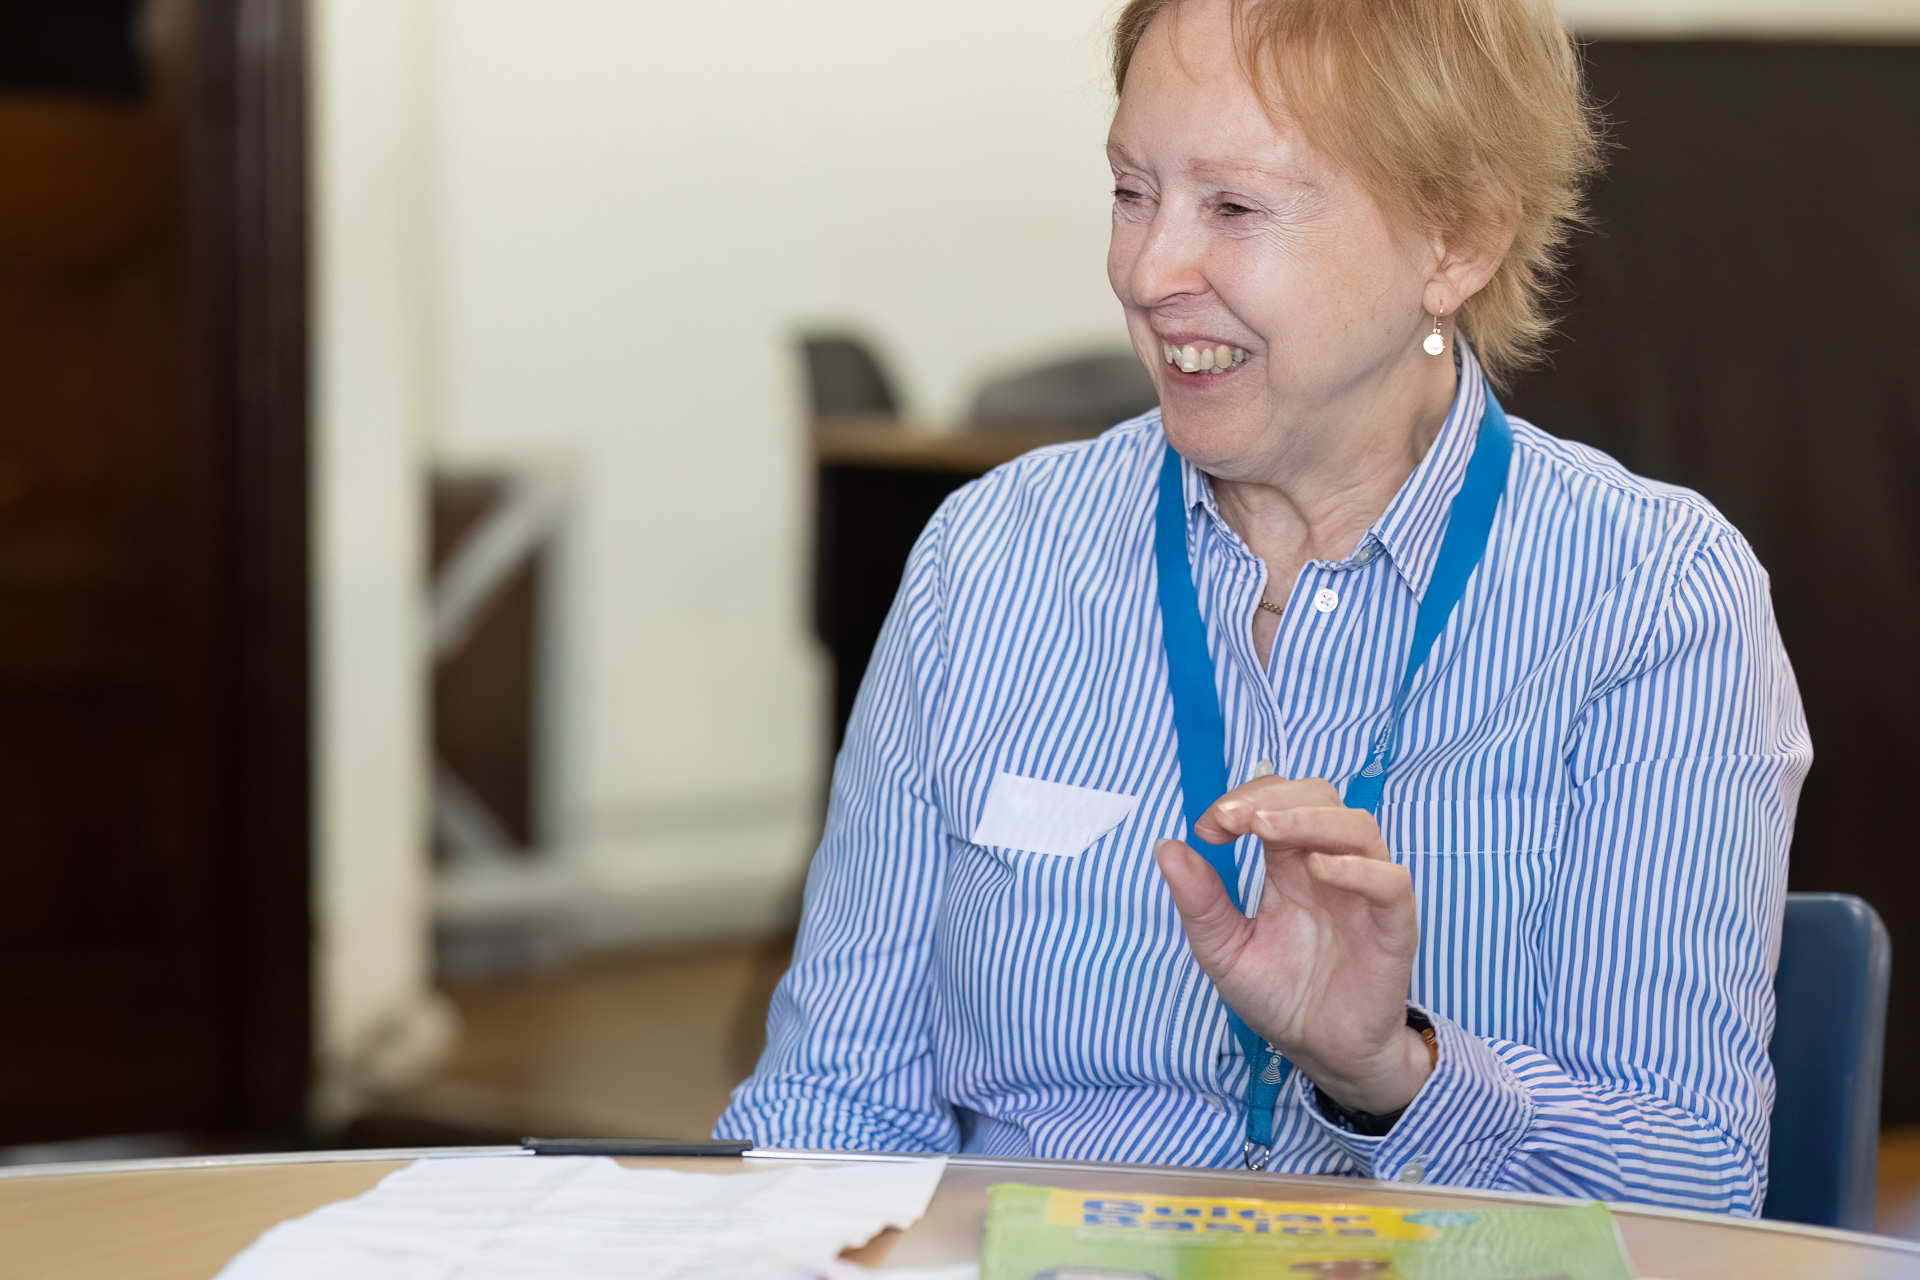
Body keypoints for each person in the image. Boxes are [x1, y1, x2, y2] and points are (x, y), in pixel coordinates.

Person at [717, 0, 1810, 1216]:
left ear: (1458, 239)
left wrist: (1391, 1071)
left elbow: (1692, 1197)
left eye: (1233, 207)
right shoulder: (992, 561)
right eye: (1132, 192)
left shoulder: (1651, 602)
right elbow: (825, 1117)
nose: (1147, 270)